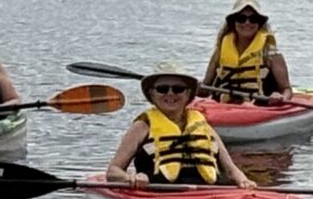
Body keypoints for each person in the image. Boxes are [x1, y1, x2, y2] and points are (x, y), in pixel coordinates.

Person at [105, 70, 255, 187]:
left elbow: (231, 170)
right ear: (152, 94)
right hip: (159, 194)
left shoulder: (202, 125)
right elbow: (113, 171)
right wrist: (130, 178)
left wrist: (244, 181)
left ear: (188, 94)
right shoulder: (142, 126)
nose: (170, 94)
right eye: (162, 89)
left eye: (178, 89)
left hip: (206, 194)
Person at [200, 0, 292, 101]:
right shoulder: (220, 51)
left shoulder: (271, 53)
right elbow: (205, 87)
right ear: (233, 22)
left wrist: (280, 97)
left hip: (258, 106)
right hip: (223, 106)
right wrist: (193, 87)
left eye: (253, 19)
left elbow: (286, 89)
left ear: (259, 23)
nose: (247, 23)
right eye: (241, 18)